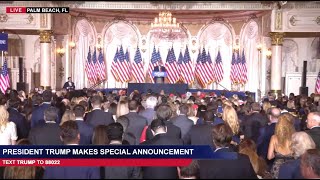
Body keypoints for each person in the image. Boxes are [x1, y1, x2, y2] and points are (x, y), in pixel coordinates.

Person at [267, 113, 295, 178]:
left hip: (277, 169)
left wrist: (277, 154)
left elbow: (269, 157)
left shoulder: (274, 138)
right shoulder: (296, 137)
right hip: (292, 167)